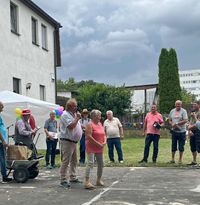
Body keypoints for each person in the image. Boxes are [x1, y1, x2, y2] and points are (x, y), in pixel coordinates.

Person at [59, 98, 82, 189]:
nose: (76, 107)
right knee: (66, 161)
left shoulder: (73, 114)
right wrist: (77, 118)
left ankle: (73, 177)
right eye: (74, 106)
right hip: (67, 141)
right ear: (70, 106)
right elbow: (71, 126)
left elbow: (76, 125)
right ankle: (63, 179)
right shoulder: (65, 115)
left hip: (73, 141)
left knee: (74, 160)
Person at [84, 109, 106, 189]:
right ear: (93, 116)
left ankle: (98, 180)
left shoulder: (100, 124)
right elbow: (89, 136)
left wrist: (104, 141)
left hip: (100, 146)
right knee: (90, 163)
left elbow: (104, 134)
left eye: (100, 116)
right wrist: (98, 143)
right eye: (98, 116)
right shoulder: (89, 124)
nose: (99, 118)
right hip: (91, 146)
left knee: (101, 163)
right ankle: (87, 181)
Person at [168, 100, 188, 164]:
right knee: (173, 146)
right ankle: (172, 159)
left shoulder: (184, 111)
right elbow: (169, 120)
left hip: (182, 132)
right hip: (174, 131)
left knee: (181, 146)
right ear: (175, 105)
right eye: (177, 104)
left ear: (181, 105)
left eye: (179, 104)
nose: (178, 105)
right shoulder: (172, 111)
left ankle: (180, 160)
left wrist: (176, 123)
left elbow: (185, 120)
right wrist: (172, 124)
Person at [0, 101, 12, 183]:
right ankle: (4, 176)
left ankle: (4, 175)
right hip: (0, 142)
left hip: (1, 141)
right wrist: (3, 140)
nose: (2, 109)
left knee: (2, 158)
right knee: (2, 159)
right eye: (1, 107)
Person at [187, 101, 200, 166]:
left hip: (198, 131)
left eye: (195, 105)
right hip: (192, 132)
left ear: (199, 105)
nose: (193, 106)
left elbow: (198, 124)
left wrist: (190, 127)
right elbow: (190, 122)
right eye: (193, 105)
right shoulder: (193, 113)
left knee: (199, 146)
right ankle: (194, 161)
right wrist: (189, 130)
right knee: (192, 147)